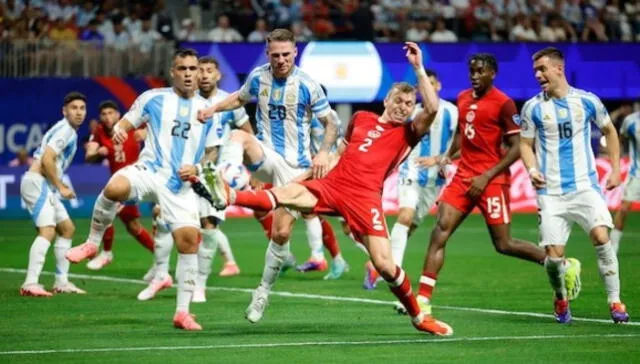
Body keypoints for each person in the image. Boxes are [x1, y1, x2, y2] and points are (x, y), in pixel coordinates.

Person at [200, 42, 453, 336]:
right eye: (398, 101)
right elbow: (335, 157)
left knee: (385, 265)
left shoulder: (408, 132)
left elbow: (432, 107)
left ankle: (419, 317)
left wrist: (418, 68)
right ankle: (227, 196)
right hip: (332, 185)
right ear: (387, 99)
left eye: (409, 105)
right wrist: (305, 177)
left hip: (365, 198)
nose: (403, 108)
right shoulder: (360, 119)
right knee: (286, 194)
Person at [415, 53, 582, 316]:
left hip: (492, 180)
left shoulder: (504, 104)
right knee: (440, 231)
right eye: (471, 71)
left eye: (480, 71)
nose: (474, 76)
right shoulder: (462, 98)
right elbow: (463, 135)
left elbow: (518, 148)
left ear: (492, 73)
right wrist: (447, 156)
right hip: (463, 178)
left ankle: (559, 263)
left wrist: (487, 176)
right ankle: (423, 298)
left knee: (503, 244)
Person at [65, 48, 220, 331]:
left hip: (180, 185)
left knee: (189, 243)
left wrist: (198, 169)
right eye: (182, 69)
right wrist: (121, 129)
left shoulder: (208, 111)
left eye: (193, 69)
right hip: (150, 171)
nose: (188, 74)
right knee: (115, 186)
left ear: (199, 73)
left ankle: (182, 313)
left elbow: (211, 152)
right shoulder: (154, 98)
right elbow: (127, 120)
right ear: (172, 72)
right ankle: (92, 243)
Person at [196, 28, 340, 285]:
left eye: (286, 54)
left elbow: (331, 123)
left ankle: (271, 281)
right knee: (239, 137)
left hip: (297, 167)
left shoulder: (308, 85)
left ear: (295, 52)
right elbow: (239, 99)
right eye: (276, 55)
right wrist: (213, 109)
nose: (281, 60)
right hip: (267, 154)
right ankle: (231, 175)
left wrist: (323, 154)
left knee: (282, 232)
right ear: (268, 54)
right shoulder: (258, 77)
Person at [520, 47, 629, 324]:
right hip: (550, 193)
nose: (538, 75)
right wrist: (531, 168)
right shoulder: (533, 107)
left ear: (559, 68)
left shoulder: (587, 101)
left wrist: (616, 169)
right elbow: (525, 144)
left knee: (602, 239)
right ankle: (560, 297)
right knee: (554, 259)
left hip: (584, 186)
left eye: (542, 69)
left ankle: (615, 301)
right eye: (535, 71)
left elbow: (609, 131)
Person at [365, 69, 458, 290]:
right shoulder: (413, 113)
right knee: (405, 217)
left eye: (433, 84)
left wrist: (441, 159)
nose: (430, 88)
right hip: (411, 172)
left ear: (438, 86)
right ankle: (393, 269)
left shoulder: (452, 112)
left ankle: (375, 263)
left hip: (435, 179)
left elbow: (460, 143)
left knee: (411, 226)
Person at [19, 92, 87, 297]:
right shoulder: (65, 130)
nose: (78, 112)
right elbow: (47, 159)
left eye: (82, 108)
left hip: (44, 185)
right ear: (64, 111)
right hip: (37, 182)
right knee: (47, 231)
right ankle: (30, 283)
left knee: (67, 229)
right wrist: (62, 186)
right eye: (73, 108)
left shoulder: (68, 131)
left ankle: (61, 282)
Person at [84, 100, 155, 270]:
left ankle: (107, 253)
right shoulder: (99, 131)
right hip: (117, 183)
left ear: (118, 115)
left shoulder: (131, 125)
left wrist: (146, 132)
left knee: (105, 211)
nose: (107, 117)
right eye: (104, 114)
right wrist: (97, 153)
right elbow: (89, 156)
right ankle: (160, 259)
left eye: (111, 113)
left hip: (136, 180)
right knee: (133, 227)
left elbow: (157, 128)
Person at [611, 109, 640, 255]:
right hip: (637, 173)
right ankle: (613, 246)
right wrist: (617, 158)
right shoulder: (631, 121)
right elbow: (619, 139)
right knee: (623, 208)